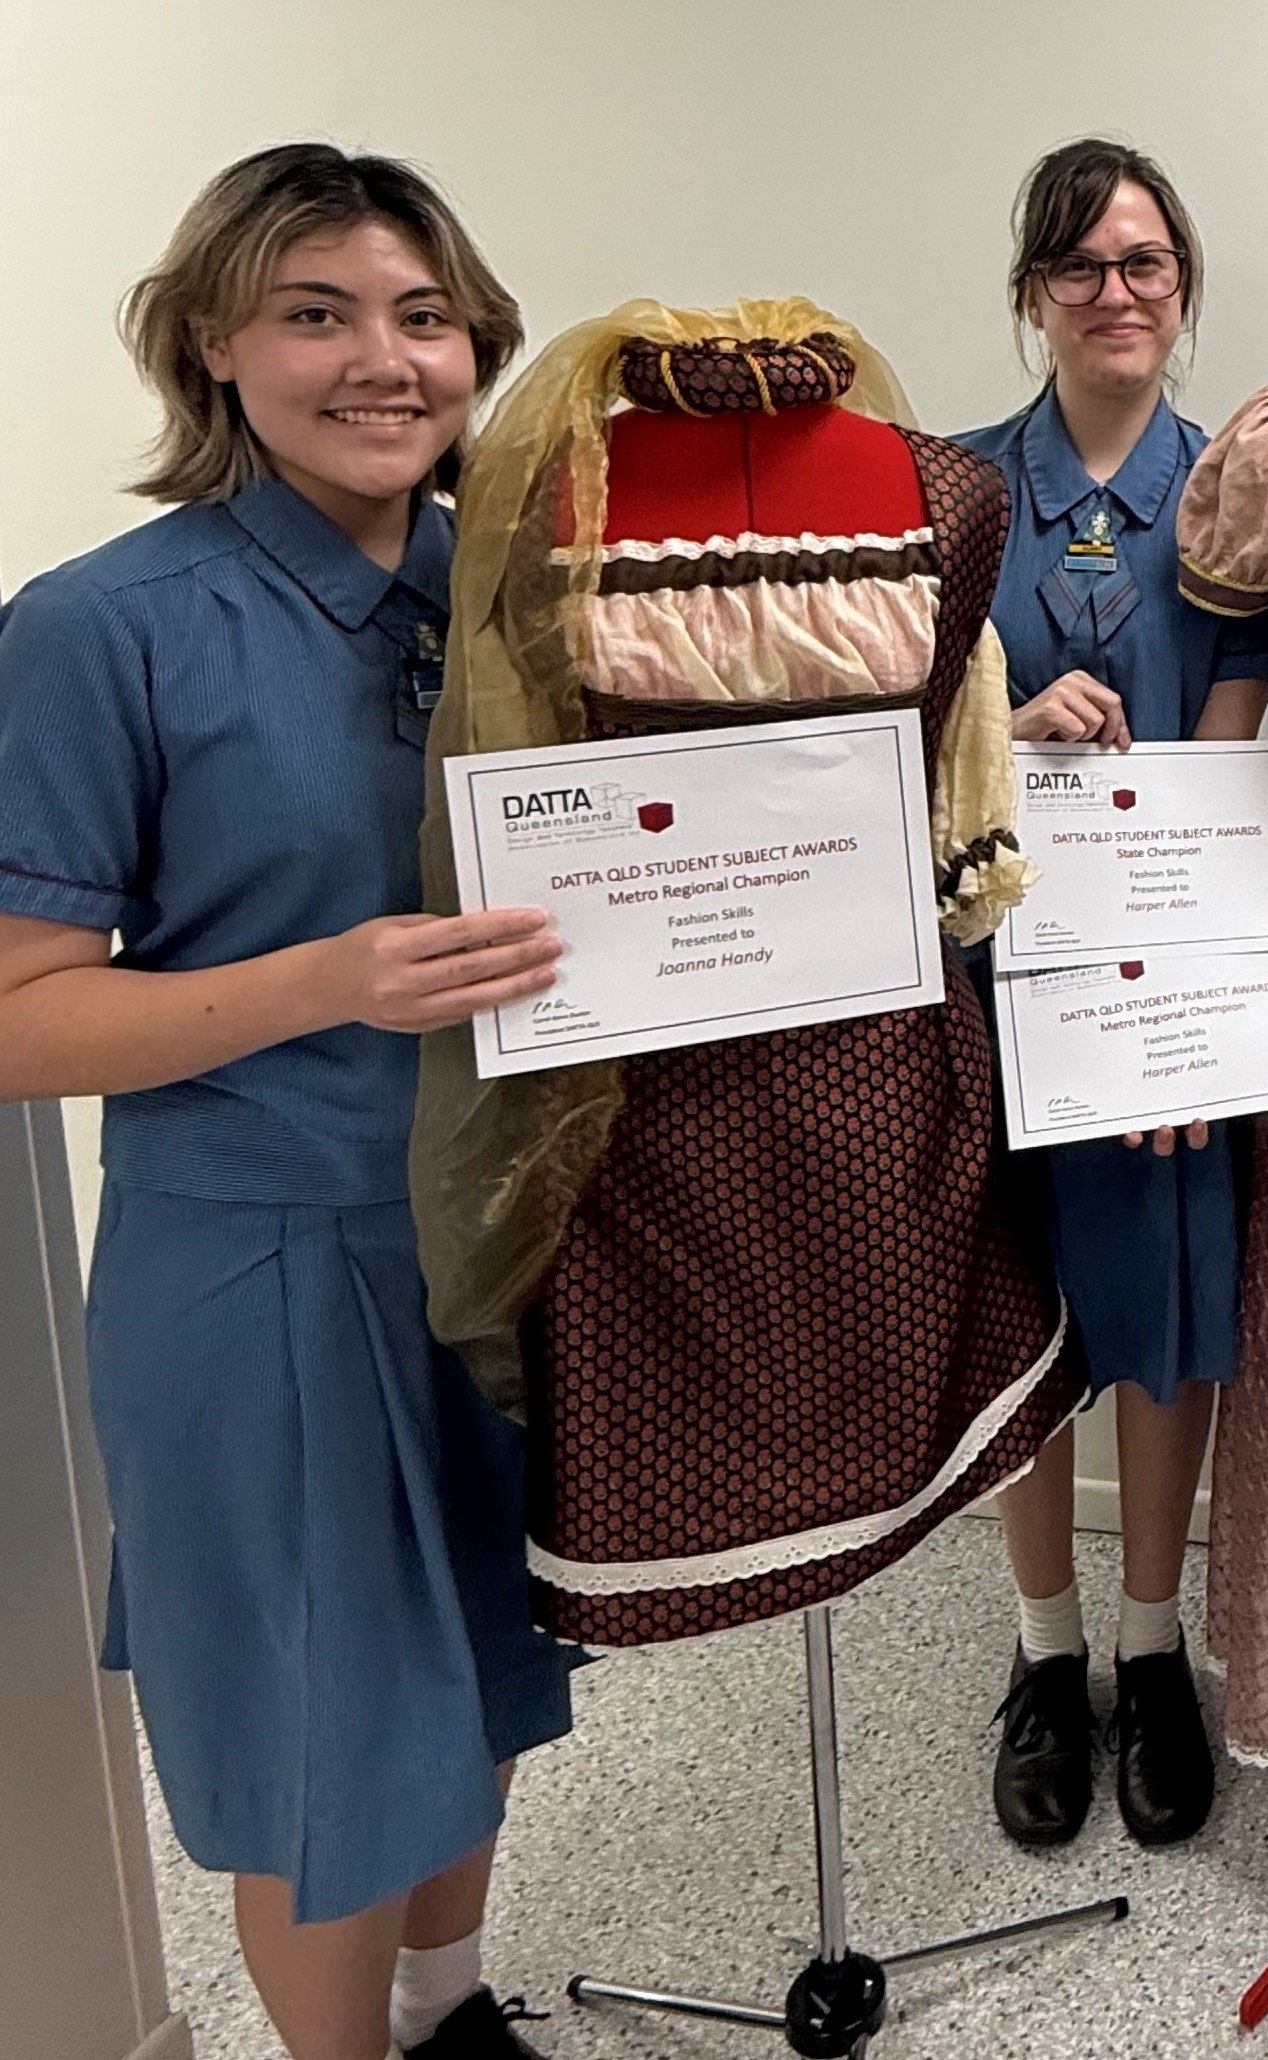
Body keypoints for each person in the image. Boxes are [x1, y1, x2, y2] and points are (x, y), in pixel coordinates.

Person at [0, 145, 579, 2060]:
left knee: (484, 1676)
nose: (383, 361)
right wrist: (325, 982)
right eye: (316, 314)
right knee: (336, 1743)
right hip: (263, 1266)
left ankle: (446, 2012)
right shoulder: (102, 627)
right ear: (211, 345)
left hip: (498, 1239)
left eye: (425, 317)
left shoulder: (520, 600)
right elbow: (21, 1019)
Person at [954, 138, 1268, 1849]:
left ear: (1182, 287)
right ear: (1034, 291)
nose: (1116, 292)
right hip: (994, 972)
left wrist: (1181, 1024)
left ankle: (1156, 1650)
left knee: (1168, 1307)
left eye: (1145, 262)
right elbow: (903, 735)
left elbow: (1222, 773)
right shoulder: (951, 494)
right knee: (1019, 1311)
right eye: (1082, 265)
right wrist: (1005, 733)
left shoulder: (1237, 489)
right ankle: (1047, 1651)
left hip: (1162, 964)